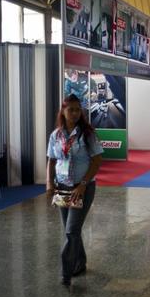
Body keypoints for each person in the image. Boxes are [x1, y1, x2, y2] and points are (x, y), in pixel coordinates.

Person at [46, 94, 104, 287]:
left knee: (71, 231)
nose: (75, 113)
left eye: (78, 109)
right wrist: (49, 184)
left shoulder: (88, 134)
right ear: (63, 111)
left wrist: (83, 184)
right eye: (71, 109)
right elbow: (52, 160)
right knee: (71, 230)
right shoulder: (56, 135)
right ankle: (80, 263)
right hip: (62, 187)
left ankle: (66, 273)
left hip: (83, 188)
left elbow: (96, 161)